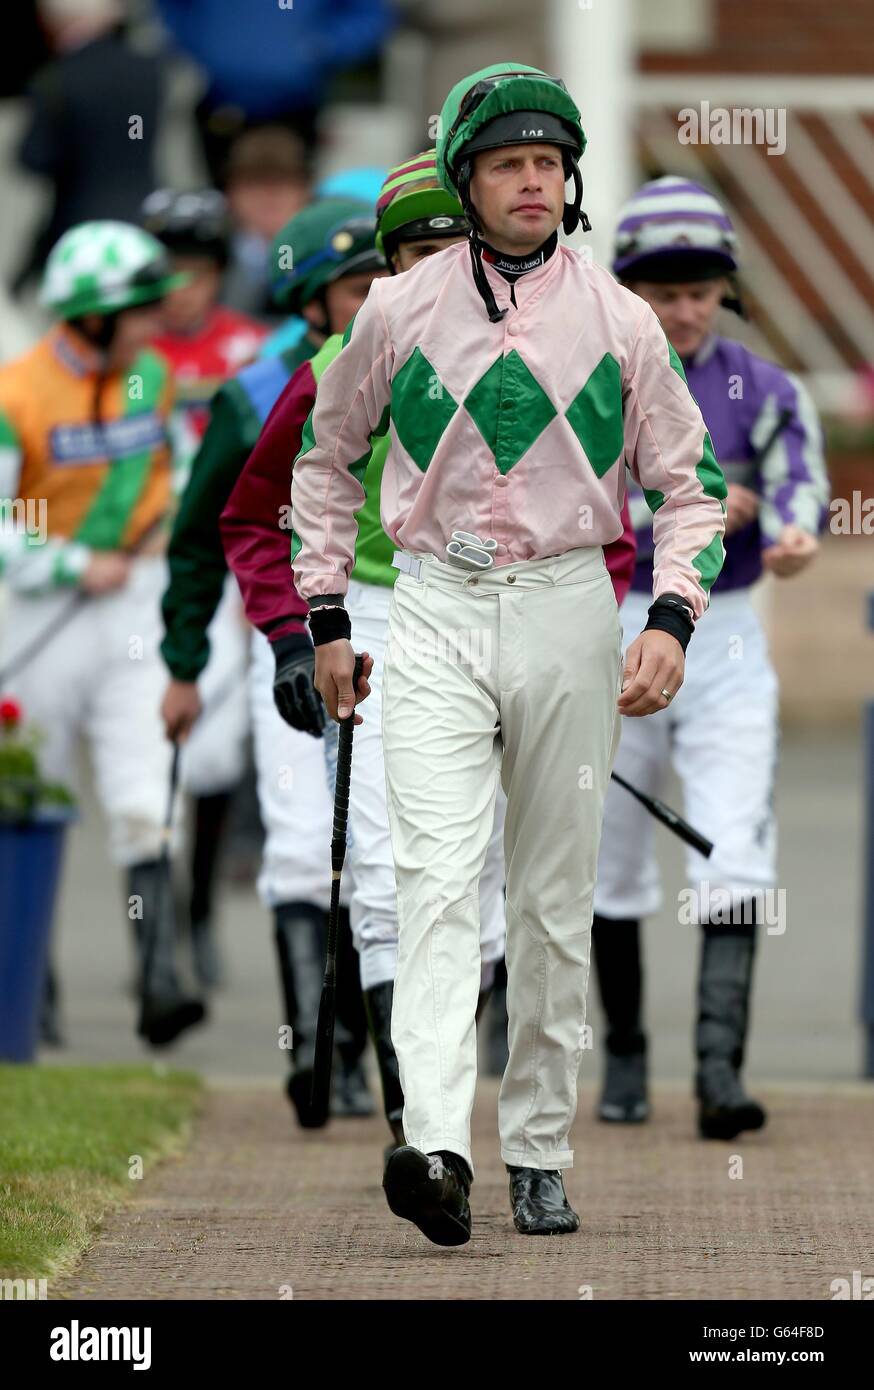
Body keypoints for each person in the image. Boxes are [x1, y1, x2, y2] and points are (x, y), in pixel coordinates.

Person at [287, 63, 727, 1245]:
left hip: (568, 609)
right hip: (430, 607)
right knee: (431, 884)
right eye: (507, 165)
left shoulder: (622, 320)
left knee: (547, 901)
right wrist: (327, 617)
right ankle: (434, 1143)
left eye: (548, 164)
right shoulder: (396, 311)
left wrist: (671, 618)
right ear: (467, 183)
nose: (532, 181)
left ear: (567, 179)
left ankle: (537, 1145)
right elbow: (325, 465)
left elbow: (690, 489)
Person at [221, 149, 638, 1165]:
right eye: (400, 260)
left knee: (494, 871)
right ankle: (421, 1121)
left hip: (515, 612)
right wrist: (295, 633)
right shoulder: (332, 367)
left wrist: (591, 632)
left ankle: (470, 1094)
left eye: (442, 252)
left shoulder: (559, 349)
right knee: (388, 868)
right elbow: (256, 511)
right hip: (373, 612)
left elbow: (607, 517)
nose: (420, 279)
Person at [591, 175, 830, 1139]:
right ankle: (624, 1060)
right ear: (630, 290)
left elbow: (801, 478)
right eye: (662, 291)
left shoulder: (766, 387)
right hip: (612, 622)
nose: (683, 311)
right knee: (607, 847)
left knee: (734, 842)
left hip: (723, 630)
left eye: (699, 291)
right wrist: (674, 508)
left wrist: (788, 527)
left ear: (724, 290)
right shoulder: (588, 377)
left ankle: (719, 1072)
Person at [160, 198, 387, 1122]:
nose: (380, 297)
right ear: (310, 300)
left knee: (385, 860)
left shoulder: (429, 369)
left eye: (389, 278)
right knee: (301, 849)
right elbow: (202, 536)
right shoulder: (253, 396)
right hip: (289, 645)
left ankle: (388, 1065)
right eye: (358, 284)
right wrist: (182, 658)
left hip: (404, 640)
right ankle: (318, 1053)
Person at [0, 220, 205, 1047]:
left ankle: (159, 978)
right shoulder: (15, 395)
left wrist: (171, 522)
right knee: (30, 790)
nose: (158, 322)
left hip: (129, 605)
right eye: (142, 309)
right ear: (90, 317)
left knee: (147, 777)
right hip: (40, 611)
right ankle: (27, 988)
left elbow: (174, 465)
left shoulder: (150, 376)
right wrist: (72, 563)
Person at [143, 187, 267, 987]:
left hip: (230, 557)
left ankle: (197, 912)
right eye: (169, 272)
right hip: (151, 552)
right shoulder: (131, 356)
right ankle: (154, 928)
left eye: (198, 270)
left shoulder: (254, 350)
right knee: (145, 746)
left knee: (216, 744)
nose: (182, 287)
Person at [14, 0, 163, 293]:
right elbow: (140, 135)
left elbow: (33, 157)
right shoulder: (149, 71)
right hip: (145, 217)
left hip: (77, 223)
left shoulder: (56, 77)